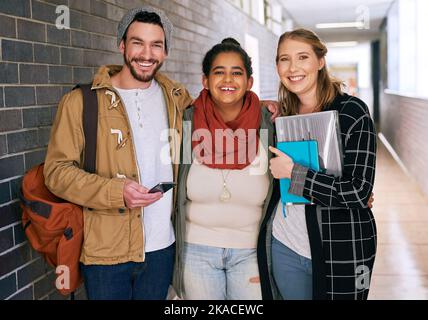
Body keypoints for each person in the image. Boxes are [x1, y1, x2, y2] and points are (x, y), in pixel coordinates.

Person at [43, 6, 193, 300]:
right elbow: (56, 172)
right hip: (105, 256)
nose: (146, 54)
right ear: (122, 45)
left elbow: (221, 110)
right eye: (137, 42)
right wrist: (116, 191)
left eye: (156, 45)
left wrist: (263, 106)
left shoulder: (177, 98)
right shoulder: (81, 101)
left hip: (162, 249)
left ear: (165, 52)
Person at [257, 28, 377, 300]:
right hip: (285, 245)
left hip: (342, 247)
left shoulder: (352, 112)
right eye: (284, 59)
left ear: (320, 62)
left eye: (302, 57)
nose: (293, 67)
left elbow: (359, 191)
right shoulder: (279, 117)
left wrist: (294, 174)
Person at [172, 38, 276, 300]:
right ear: (205, 80)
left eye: (237, 72)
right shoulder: (186, 122)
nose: (228, 79)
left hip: (252, 251)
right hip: (196, 252)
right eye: (219, 72)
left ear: (249, 82)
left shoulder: (269, 125)